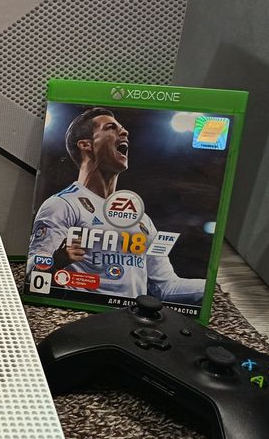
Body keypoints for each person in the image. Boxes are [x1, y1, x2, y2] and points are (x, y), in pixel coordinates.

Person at [27, 107, 204, 303]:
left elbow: (167, 287)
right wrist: (57, 261)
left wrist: (208, 289)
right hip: (83, 313)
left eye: (123, 128)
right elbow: (32, 275)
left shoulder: (142, 219)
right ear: (86, 144)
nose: (125, 132)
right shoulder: (62, 205)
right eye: (111, 127)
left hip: (129, 316)